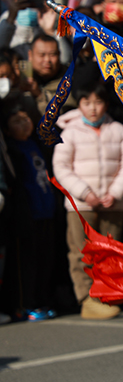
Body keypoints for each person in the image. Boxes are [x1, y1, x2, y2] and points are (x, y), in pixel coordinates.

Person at [53, 81, 123, 319]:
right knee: (82, 252)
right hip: (81, 206)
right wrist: (84, 193)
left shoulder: (118, 130)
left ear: (106, 104)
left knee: (111, 253)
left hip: (113, 203)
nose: (93, 108)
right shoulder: (69, 132)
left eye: (98, 102)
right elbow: (61, 167)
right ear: (79, 104)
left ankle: (107, 296)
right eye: (86, 102)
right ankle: (87, 299)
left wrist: (116, 192)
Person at [2, 94, 57, 320]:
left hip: (45, 210)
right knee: (25, 263)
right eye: (16, 121)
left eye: (25, 119)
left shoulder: (36, 144)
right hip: (25, 215)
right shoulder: (11, 150)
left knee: (45, 259)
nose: (23, 124)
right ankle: (24, 305)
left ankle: (42, 301)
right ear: (6, 128)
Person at [29, 33, 75, 115]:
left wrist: (39, 95)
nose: (47, 60)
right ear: (30, 55)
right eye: (41, 55)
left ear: (59, 54)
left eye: (52, 55)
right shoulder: (21, 76)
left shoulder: (70, 79)